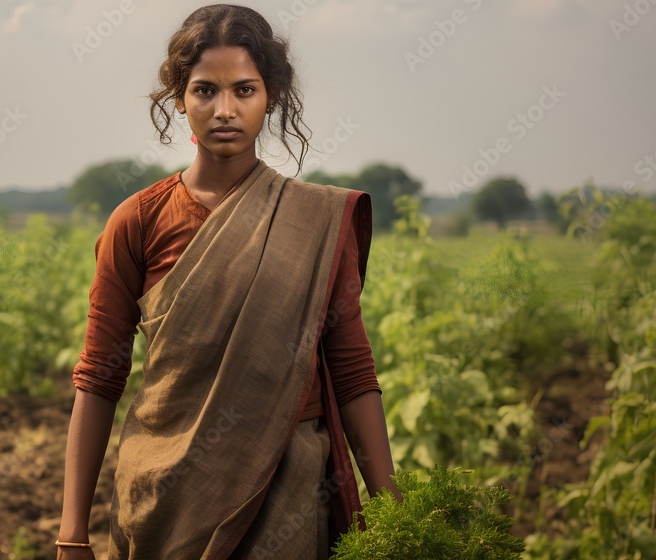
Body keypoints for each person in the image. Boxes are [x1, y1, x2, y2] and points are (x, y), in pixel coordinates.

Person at [56, 5, 402, 559]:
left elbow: (353, 369)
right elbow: (99, 375)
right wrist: (72, 533)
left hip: (287, 493)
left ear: (272, 96)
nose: (224, 110)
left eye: (244, 90)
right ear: (179, 99)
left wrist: (395, 519)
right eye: (204, 91)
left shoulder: (313, 220)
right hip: (165, 499)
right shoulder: (138, 221)